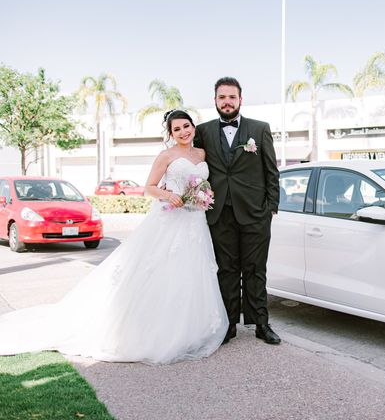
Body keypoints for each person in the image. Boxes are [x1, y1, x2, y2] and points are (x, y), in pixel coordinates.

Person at [0, 110, 228, 364]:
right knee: (164, 271)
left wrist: (201, 195)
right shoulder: (166, 156)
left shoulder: (202, 154)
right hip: (171, 219)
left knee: (191, 273)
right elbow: (148, 188)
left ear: (193, 127)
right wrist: (169, 195)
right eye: (177, 129)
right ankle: (156, 332)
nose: (183, 132)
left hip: (195, 221)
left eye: (186, 126)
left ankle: (190, 331)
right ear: (171, 134)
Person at [194, 77, 281, 345]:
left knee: (256, 269)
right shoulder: (203, 131)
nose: (227, 102)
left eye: (232, 97)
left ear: (241, 100)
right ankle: (228, 324)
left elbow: (271, 171)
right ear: (215, 101)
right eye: (222, 97)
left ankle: (261, 324)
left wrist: (270, 208)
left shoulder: (260, 128)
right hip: (219, 213)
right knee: (227, 269)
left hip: (256, 213)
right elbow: (195, 167)